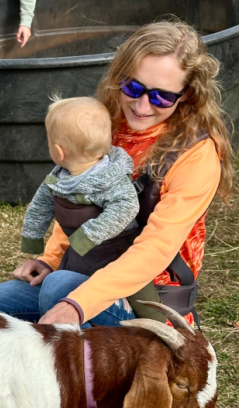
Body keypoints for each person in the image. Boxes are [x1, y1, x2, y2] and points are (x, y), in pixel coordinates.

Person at [0, 20, 233, 408]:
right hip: (80, 274)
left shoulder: (197, 155)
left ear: (188, 96)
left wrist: (76, 302)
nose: (143, 105)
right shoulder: (108, 122)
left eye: (162, 95)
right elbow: (74, 201)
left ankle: (111, 403)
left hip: (147, 300)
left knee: (61, 290)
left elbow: (155, 250)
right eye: (134, 87)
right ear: (119, 77)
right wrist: (50, 257)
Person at [22, 96, 160, 319]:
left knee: (142, 298)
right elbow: (40, 205)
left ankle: (158, 327)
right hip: (78, 255)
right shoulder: (60, 178)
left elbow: (126, 208)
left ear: (58, 151)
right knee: (63, 282)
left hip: (115, 256)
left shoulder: (110, 179)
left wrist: (88, 236)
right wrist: (32, 236)